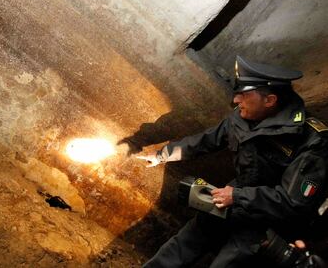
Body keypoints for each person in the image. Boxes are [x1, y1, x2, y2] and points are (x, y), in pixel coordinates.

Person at [136, 56, 328, 268]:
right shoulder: (244, 115)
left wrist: (236, 196)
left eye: (244, 95)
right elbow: (207, 139)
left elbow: (292, 203)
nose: (236, 100)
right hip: (232, 199)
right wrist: (162, 155)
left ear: (270, 100)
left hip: (265, 223)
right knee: (183, 244)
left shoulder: (312, 142)